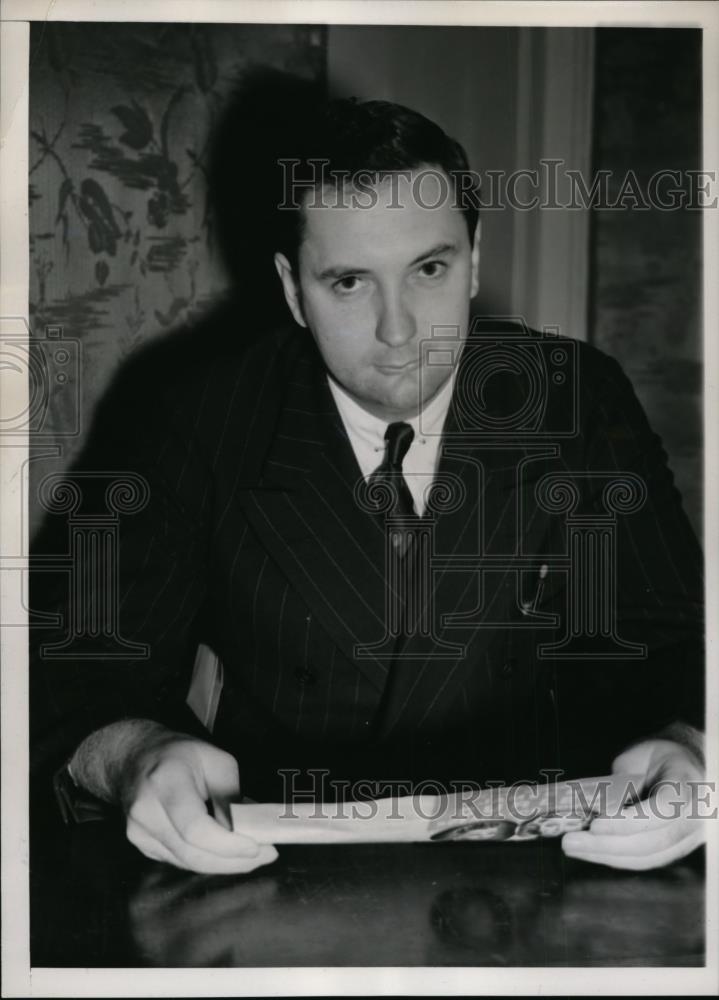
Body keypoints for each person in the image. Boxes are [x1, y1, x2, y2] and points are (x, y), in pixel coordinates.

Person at [31, 98, 705, 876]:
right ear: (293, 290)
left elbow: (673, 635)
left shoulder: (575, 396)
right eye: (348, 282)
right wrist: (137, 754)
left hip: (550, 869)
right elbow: (78, 668)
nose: (399, 330)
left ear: (474, 261)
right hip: (272, 872)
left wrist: (687, 745)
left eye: (428, 269)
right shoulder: (194, 420)